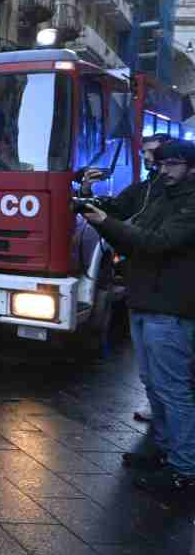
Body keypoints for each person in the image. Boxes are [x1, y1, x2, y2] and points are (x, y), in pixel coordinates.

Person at [79, 139, 195, 494]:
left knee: (173, 388)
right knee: (153, 382)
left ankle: (184, 468)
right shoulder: (158, 191)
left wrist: (105, 223)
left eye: (172, 164)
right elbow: (124, 216)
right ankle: (163, 448)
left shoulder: (188, 202)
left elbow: (155, 242)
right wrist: (89, 197)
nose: (163, 171)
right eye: (160, 164)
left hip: (171, 306)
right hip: (145, 299)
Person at [77, 132, 170, 422]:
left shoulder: (178, 198)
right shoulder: (142, 190)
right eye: (144, 152)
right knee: (146, 360)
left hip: (167, 292)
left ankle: (177, 446)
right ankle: (158, 414)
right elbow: (114, 209)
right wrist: (88, 191)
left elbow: (158, 240)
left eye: (152, 152)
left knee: (167, 364)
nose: (146, 158)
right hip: (141, 286)